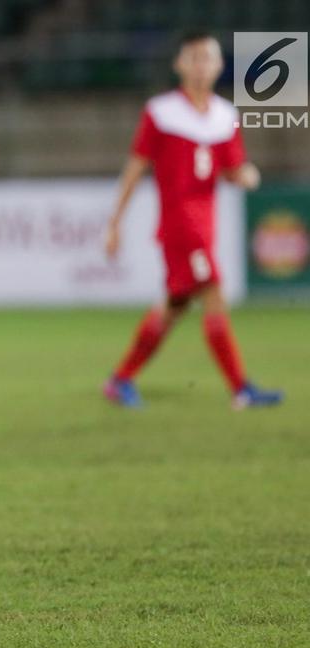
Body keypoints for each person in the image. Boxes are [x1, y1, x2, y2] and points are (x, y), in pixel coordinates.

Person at [103, 31, 282, 410]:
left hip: (206, 224)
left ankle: (120, 379)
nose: (201, 65)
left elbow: (232, 170)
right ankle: (240, 389)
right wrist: (115, 222)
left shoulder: (225, 116)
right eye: (194, 57)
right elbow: (136, 167)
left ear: (219, 65)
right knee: (213, 292)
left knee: (175, 305)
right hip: (180, 226)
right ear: (179, 64)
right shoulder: (161, 112)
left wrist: (246, 175)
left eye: (208, 58)